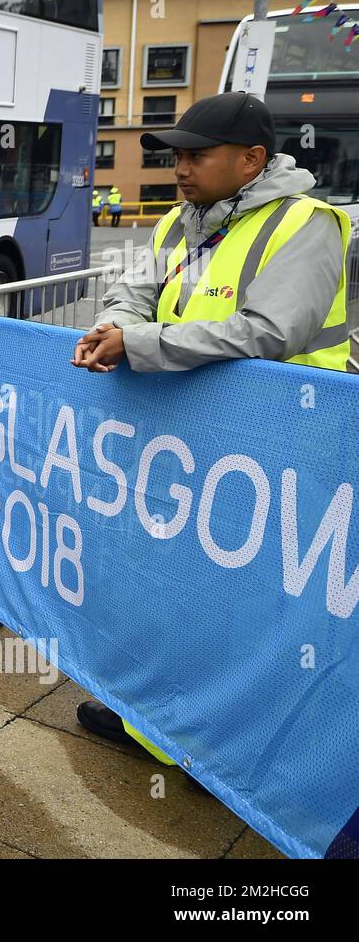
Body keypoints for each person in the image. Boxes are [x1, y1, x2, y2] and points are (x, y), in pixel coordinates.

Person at [71, 91, 351, 768]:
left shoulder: (308, 224)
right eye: (178, 155)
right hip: (194, 442)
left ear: (252, 160)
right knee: (175, 585)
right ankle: (157, 722)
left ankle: (224, 752)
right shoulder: (178, 222)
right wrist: (115, 325)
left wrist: (137, 345)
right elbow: (133, 292)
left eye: (197, 154)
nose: (181, 167)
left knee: (248, 608)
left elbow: (267, 332)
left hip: (284, 448)